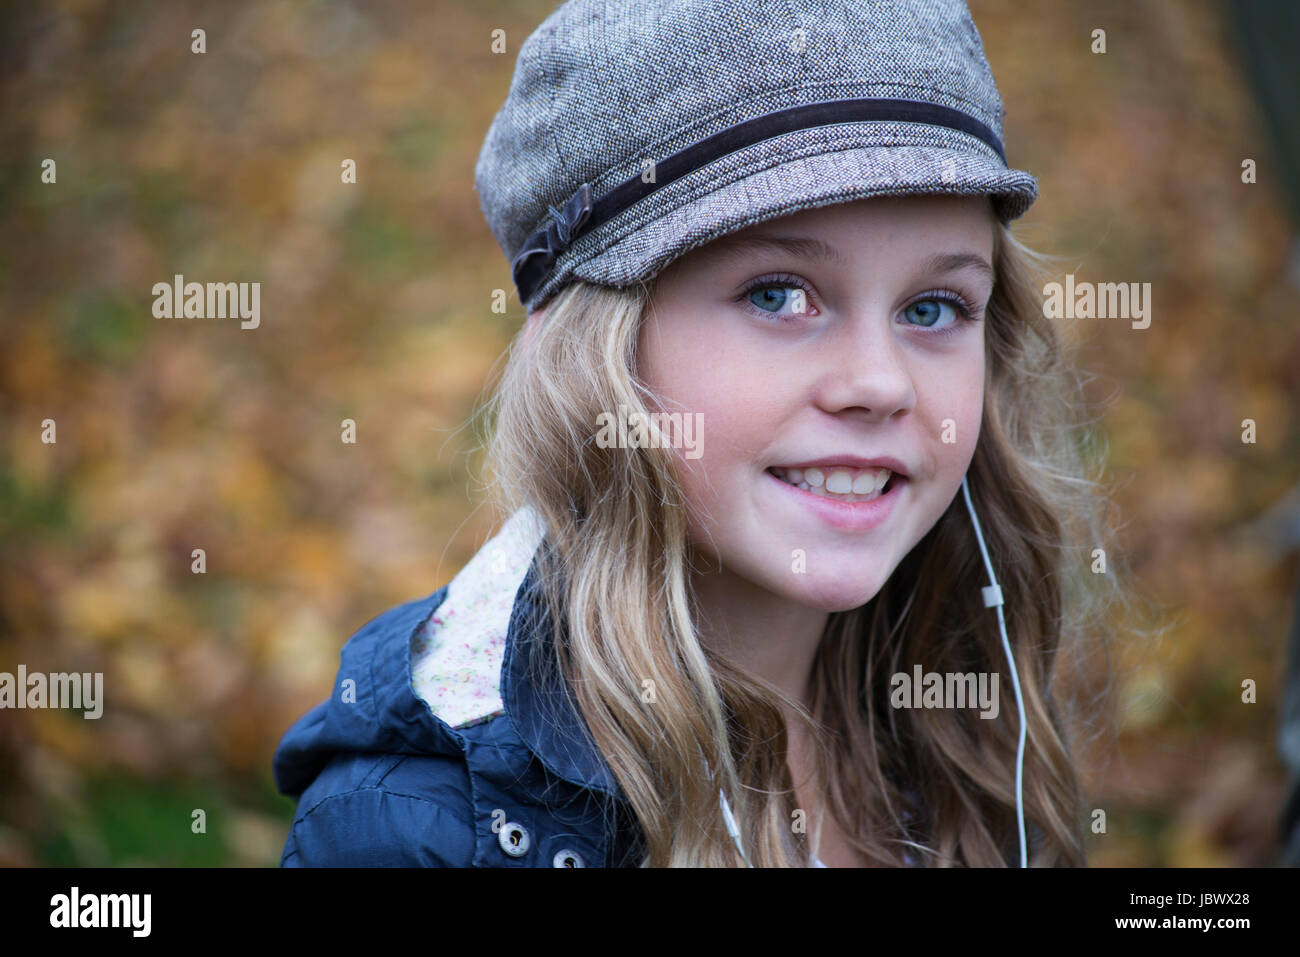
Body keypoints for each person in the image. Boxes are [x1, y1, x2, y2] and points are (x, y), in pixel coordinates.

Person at [273, 0, 1124, 867]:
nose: (880, 382)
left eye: (933, 307)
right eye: (778, 295)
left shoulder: (969, 728)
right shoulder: (414, 833)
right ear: (591, 355)